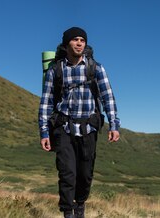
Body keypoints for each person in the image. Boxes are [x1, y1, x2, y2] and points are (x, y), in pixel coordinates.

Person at [38, 27, 120, 218]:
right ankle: (68, 212)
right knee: (67, 174)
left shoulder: (96, 68)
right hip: (64, 128)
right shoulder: (56, 70)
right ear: (67, 44)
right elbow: (46, 102)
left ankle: (80, 204)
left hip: (88, 128)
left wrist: (114, 125)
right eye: (75, 40)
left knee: (85, 175)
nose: (79, 43)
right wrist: (44, 132)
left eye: (82, 40)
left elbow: (108, 97)